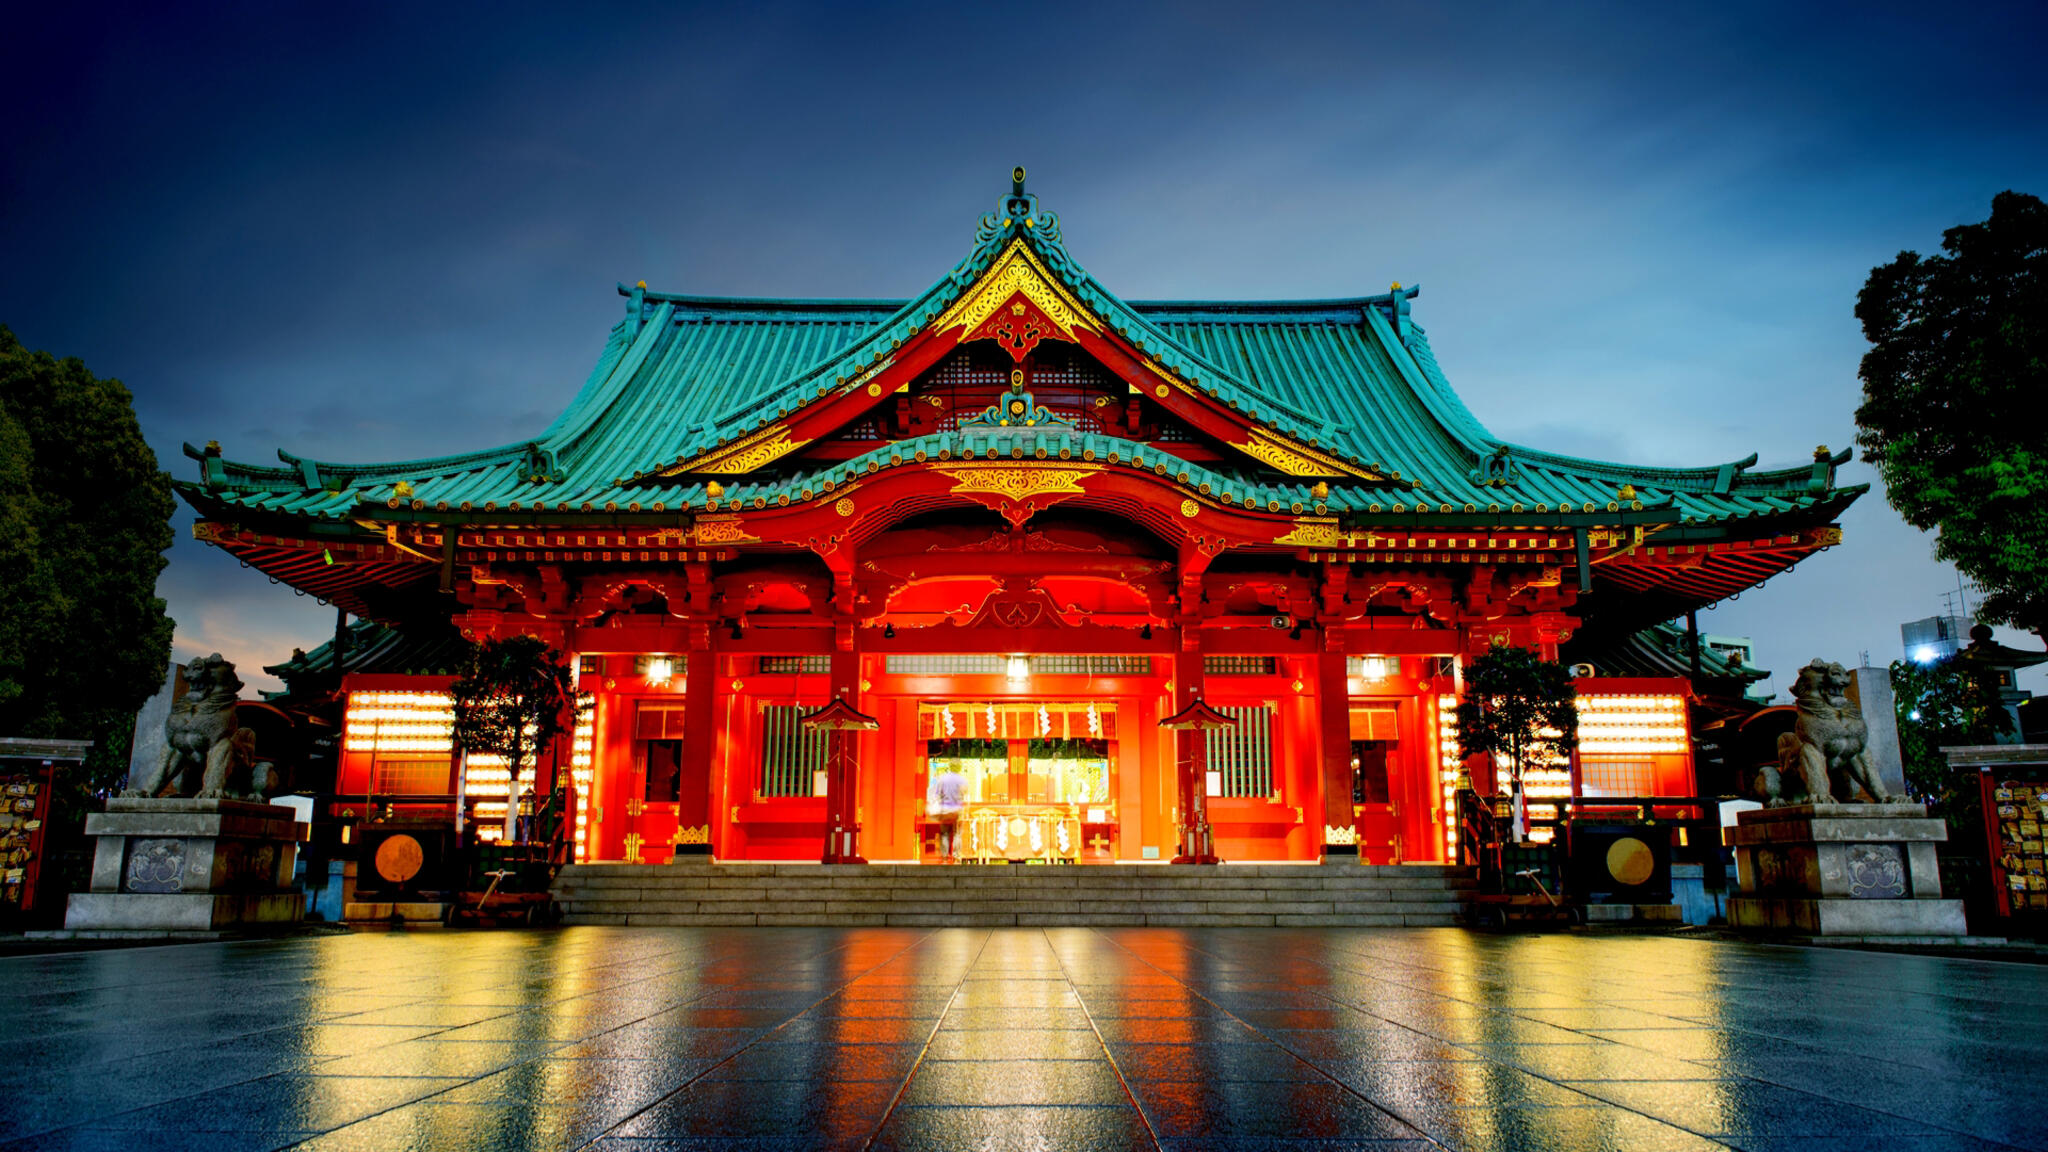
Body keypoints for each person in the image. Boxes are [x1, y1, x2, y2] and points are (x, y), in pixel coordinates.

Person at [927, 763, 967, 862]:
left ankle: (945, 858)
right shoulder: (962, 780)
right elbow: (965, 794)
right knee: (957, 834)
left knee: (944, 834)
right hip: (957, 811)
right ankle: (956, 857)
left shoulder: (942, 779)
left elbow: (936, 795)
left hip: (945, 811)